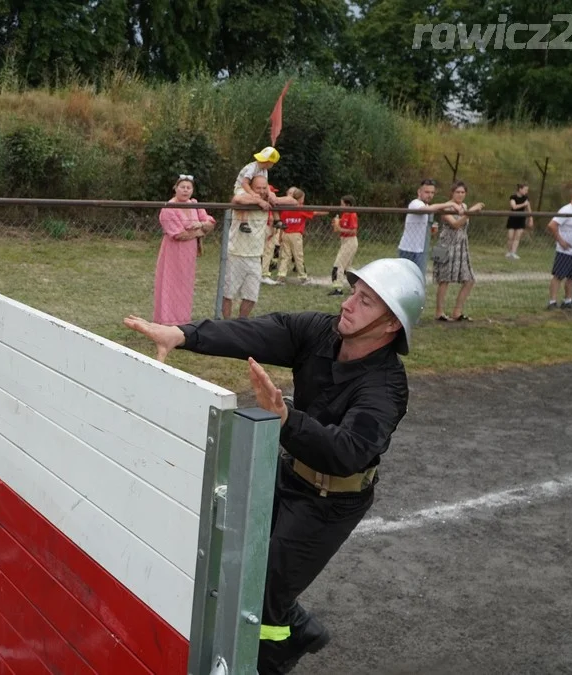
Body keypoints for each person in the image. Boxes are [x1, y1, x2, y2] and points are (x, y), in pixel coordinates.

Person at [122, 257, 426, 675]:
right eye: (353, 293)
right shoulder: (321, 332)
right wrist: (182, 334)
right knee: (239, 563)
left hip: (330, 502)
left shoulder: (386, 387)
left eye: (366, 302)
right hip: (287, 474)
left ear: (392, 325)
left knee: (261, 600)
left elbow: (349, 451)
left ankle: (271, 659)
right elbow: (260, 331)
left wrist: (286, 419)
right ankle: (298, 626)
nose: (349, 305)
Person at [154, 175, 217, 325]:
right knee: (170, 283)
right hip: (173, 252)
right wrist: (200, 231)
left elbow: (210, 222)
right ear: (175, 188)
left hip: (189, 253)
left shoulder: (194, 204)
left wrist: (201, 225)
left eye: (189, 188)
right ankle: (167, 320)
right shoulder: (169, 208)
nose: (185, 190)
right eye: (182, 187)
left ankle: (182, 320)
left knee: (185, 285)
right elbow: (178, 234)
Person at [223, 175, 276, 318]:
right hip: (236, 254)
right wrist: (259, 200)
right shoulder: (244, 200)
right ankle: (225, 324)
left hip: (255, 256)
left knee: (251, 296)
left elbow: (293, 201)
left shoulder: (268, 201)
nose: (261, 191)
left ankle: (242, 323)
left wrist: (273, 197)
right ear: (251, 188)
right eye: (258, 188)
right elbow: (237, 199)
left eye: (264, 188)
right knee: (228, 293)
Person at [433, 181, 483, 322]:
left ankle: (457, 312)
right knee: (444, 280)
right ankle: (439, 313)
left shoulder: (464, 206)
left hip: (461, 246)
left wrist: (468, 211)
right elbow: (455, 224)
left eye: (463, 192)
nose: (460, 195)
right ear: (452, 193)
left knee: (469, 280)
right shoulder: (446, 206)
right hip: (444, 246)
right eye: (457, 192)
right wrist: (470, 213)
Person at [397, 179, 464, 272]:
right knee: (407, 277)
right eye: (427, 192)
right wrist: (451, 204)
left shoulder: (428, 206)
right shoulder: (415, 203)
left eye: (432, 192)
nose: (430, 195)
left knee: (419, 278)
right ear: (419, 192)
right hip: (408, 249)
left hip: (421, 249)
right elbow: (426, 210)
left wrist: (431, 231)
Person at [273, 189, 326, 285]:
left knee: (285, 256)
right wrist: (325, 211)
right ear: (300, 199)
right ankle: (303, 277)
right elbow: (314, 213)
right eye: (303, 198)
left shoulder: (285, 209)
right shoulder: (301, 208)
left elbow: (281, 220)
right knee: (298, 256)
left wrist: (280, 236)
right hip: (296, 235)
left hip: (285, 233)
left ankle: (281, 276)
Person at [328, 196, 359, 296]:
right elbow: (339, 227)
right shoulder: (345, 214)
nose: (340, 206)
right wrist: (336, 223)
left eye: (342, 204)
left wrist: (340, 229)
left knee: (339, 265)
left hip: (350, 241)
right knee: (347, 267)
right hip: (344, 241)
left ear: (348, 205)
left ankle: (338, 289)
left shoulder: (352, 214)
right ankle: (356, 286)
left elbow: (353, 230)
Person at [505, 183, 533, 259]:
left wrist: (531, 219)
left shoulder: (526, 198)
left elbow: (529, 210)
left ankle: (513, 253)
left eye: (527, 190)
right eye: (525, 189)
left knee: (517, 237)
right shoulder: (513, 197)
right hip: (512, 218)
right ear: (520, 189)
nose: (526, 191)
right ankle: (509, 252)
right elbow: (514, 207)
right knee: (510, 237)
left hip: (521, 219)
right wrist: (523, 204)